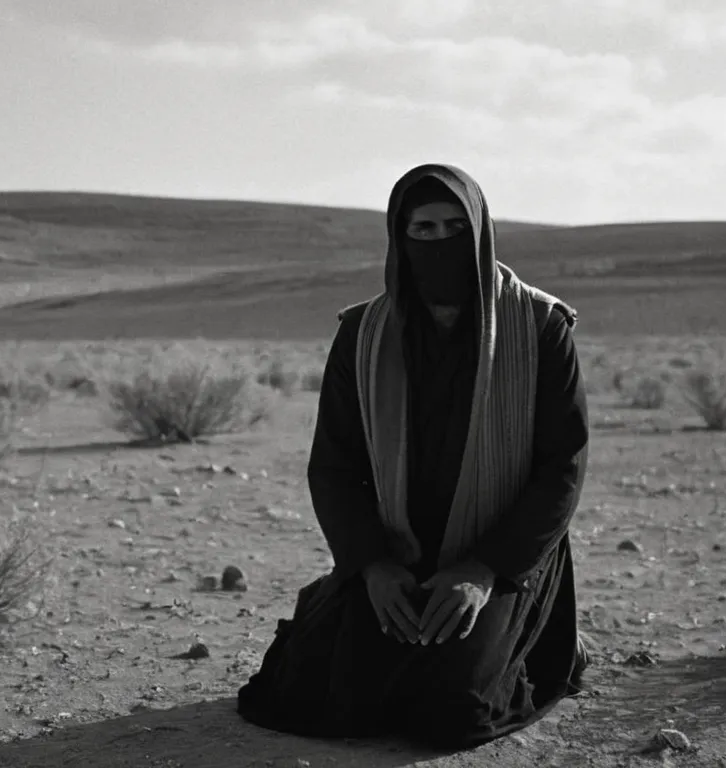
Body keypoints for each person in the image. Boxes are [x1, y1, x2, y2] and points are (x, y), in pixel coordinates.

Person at [236, 163, 590, 749]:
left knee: (455, 713)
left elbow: (563, 466)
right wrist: (372, 565)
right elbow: (334, 465)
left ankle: (545, 638)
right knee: (329, 701)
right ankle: (335, 601)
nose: (438, 241)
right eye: (421, 229)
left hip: (501, 553)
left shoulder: (539, 326)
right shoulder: (363, 333)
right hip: (396, 549)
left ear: (479, 231)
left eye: (454, 226)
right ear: (399, 236)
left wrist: (483, 571)